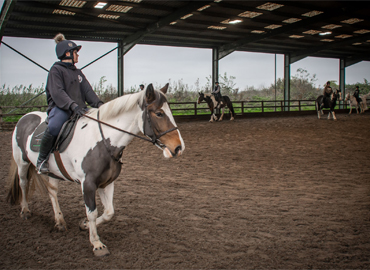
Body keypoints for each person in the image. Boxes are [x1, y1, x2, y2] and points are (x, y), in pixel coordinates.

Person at [36, 33, 104, 174]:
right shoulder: (55, 71)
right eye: (75, 52)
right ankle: (41, 160)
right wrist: (72, 105)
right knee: (54, 127)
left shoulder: (78, 73)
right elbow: (58, 93)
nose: (77, 55)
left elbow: (88, 92)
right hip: (61, 109)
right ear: (67, 53)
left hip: (79, 109)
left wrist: (100, 105)